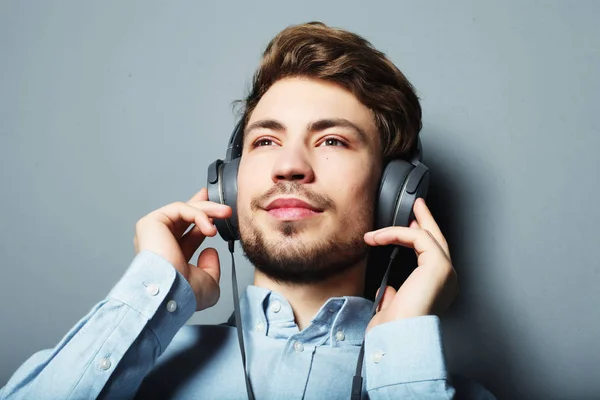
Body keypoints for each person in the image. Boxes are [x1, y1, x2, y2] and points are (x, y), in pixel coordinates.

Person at [0, 22, 494, 399]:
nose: (289, 166)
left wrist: (406, 348)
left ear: (394, 192)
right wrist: (151, 287)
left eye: (331, 140)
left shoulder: (434, 386)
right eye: (265, 140)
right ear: (231, 187)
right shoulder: (126, 363)